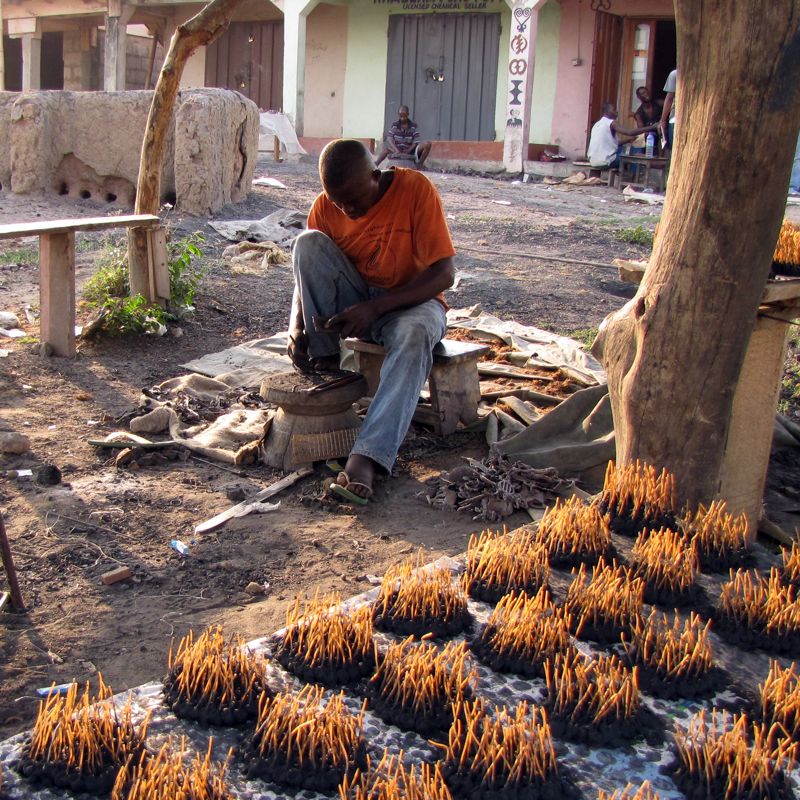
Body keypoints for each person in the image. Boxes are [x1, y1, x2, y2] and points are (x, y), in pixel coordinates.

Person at [288, 139, 455, 503]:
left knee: (413, 335)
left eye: (354, 201)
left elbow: (444, 275)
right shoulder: (326, 207)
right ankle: (325, 361)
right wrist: (297, 324)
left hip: (415, 301)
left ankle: (369, 456)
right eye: (338, 202)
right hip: (358, 299)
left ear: (375, 177)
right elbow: (309, 274)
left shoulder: (415, 190)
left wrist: (376, 310)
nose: (347, 210)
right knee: (307, 243)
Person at [587, 103, 658, 169]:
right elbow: (630, 132)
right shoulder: (611, 123)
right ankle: (634, 176)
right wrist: (652, 127)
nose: (616, 112)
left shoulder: (597, 125)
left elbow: (611, 144)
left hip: (593, 161)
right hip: (607, 161)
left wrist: (628, 140)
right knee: (634, 152)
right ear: (606, 112)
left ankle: (630, 173)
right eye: (614, 110)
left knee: (624, 149)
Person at [659, 69, 677, 152]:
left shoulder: (675, 73)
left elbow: (669, 98)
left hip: (676, 119)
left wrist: (662, 120)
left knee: (675, 150)